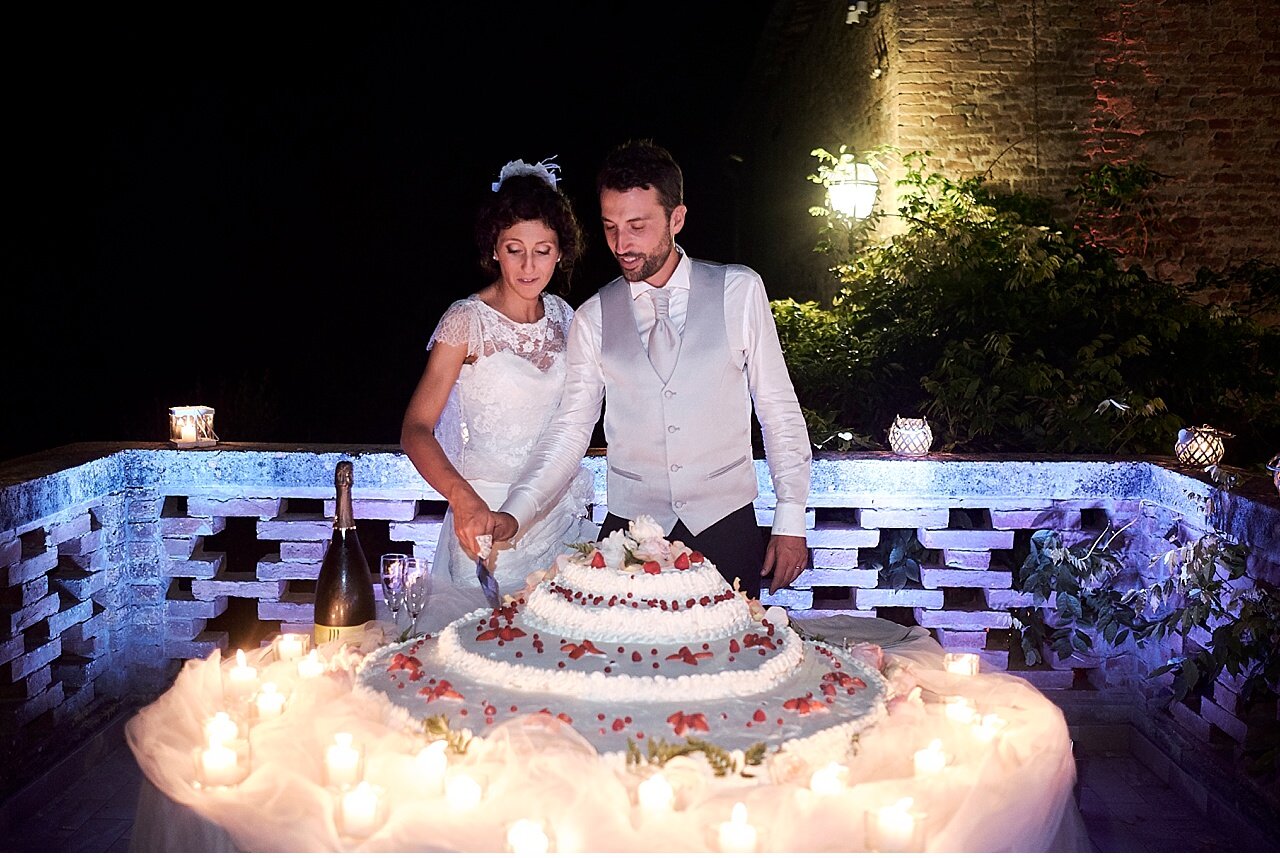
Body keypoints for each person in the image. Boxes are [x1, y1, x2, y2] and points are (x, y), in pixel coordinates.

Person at [458, 140, 811, 596]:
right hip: (627, 536)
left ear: (676, 219)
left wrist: (791, 518)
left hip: (726, 527)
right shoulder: (593, 317)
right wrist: (516, 513)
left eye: (638, 226)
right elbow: (570, 432)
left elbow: (778, 409)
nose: (622, 245)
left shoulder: (739, 291)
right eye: (610, 227)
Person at [400, 158, 596, 628]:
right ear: (495, 249)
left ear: (560, 253)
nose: (529, 266)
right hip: (483, 522)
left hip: (557, 519)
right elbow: (415, 428)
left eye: (543, 250)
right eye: (515, 249)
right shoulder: (466, 320)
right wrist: (462, 498)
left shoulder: (569, 320)